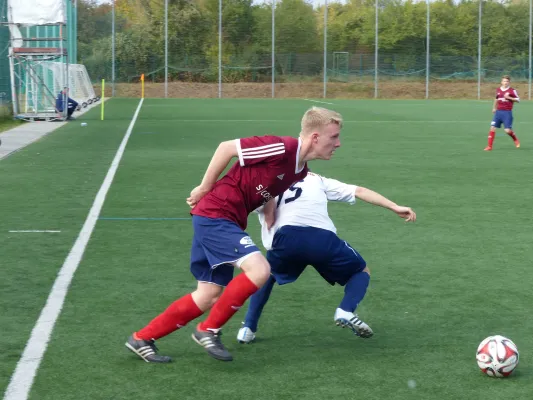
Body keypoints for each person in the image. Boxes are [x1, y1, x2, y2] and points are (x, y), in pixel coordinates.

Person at [125, 107, 343, 363]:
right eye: (334, 137)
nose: (338, 143)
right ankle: (208, 330)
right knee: (260, 269)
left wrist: (270, 210)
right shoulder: (281, 147)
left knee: (208, 295)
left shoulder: (300, 170)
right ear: (316, 137)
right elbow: (226, 148)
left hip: (223, 219)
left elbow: (268, 185)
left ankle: (141, 338)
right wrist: (204, 187)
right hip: (216, 213)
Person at [236, 172, 416, 344]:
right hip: (321, 239)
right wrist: (394, 206)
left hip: (285, 240)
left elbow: (250, 204)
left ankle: (248, 329)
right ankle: (345, 310)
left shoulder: (267, 182)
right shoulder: (316, 179)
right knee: (361, 271)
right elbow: (359, 191)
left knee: (267, 275)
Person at [484, 75, 520, 151]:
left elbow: (518, 100)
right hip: (498, 112)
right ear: (501, 82)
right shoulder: (498, 90)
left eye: (507, 81)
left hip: (507, 113)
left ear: (509, 82)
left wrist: (509, 98)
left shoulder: (512, 90)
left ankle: (514, 138)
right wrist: (494, 107)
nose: (505, 83)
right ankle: (489, 146)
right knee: (492, 127)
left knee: (507, 130)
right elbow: (496, 99)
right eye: (504, 81)